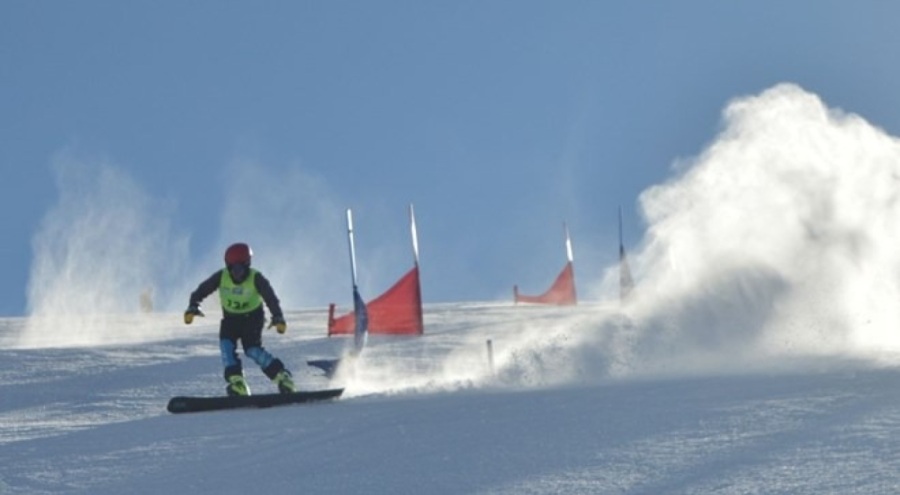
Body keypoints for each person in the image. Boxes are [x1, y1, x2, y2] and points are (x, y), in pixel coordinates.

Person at [183, 242, 296, 396]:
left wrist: (278, 316)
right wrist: (193, 305)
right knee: (226, 346)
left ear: (247, 265)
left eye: (240, 269)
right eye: (232, 269)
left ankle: (282, 377)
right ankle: (237, 383)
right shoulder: (221, 276)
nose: (237, 274)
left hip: (252, 318)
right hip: (230, 319)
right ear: (227, 266)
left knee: (252, 349)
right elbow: (201, 290)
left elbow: (270, 298)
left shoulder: (256, 278)